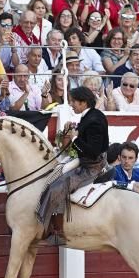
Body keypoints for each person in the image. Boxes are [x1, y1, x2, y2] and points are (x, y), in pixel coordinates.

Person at [37, 85, 109, 246]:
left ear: (84, 103)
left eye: (74, 102)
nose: (72, 105)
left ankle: (56, 232)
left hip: (92, 167)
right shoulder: (91, 116)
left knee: (57, 187)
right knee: (56, 175)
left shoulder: (93, 120)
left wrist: (75, 138)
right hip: (88, 162)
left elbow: (92, 151)